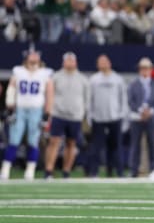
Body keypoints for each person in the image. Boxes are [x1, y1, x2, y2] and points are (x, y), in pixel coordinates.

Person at [0, 49, 53, 180]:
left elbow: (50, 94)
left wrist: (47, 112)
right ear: (26, 59)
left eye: (36, 57)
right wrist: (10, 106)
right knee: (14, 140)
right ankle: (5, 170)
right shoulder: (18, 71)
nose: (34, 59)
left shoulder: (45, 73)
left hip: (36, 110)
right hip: (20, 109)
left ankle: (30, 171)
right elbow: (11, 90)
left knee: (33, 141)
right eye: (31, 56)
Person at [44, 52, 89, 179]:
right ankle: (48, 171)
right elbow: (50, 94)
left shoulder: (82, 79)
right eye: (67, 60)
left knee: (71, 143)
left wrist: (82, 112)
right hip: (58, 114)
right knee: (54, 142)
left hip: (75, 116)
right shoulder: (56, 77)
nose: (69, 62)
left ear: (75, 62)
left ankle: (66, 172)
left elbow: (87, 98)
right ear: (63, 62)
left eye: (71, 60)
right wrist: (49, 110)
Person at [88, 54, 128, 177]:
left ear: (109, 63)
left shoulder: (118, 79)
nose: (103, 64)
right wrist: (90, 116)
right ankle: (94, 172)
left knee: (116, 147)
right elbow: (89, 99)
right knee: (96, 147)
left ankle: (118, 172)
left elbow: (123, 98)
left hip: (115, 117)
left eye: (105, 61)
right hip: (98, 118)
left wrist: (123, 115)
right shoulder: (93, 79)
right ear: (97, 64)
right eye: (100, 62)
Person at [128, 57, 154, 178]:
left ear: (151, 69)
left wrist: (151, 111)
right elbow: (130, 101)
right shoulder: (133, 84)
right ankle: (134, 170)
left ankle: (153, 169)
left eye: (147, 68)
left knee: (152, 144)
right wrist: (140, 111)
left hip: (151, 118)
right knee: (135, 145)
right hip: (137, 118)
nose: (145, 70)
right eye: (143, 68)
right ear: (139, 69)